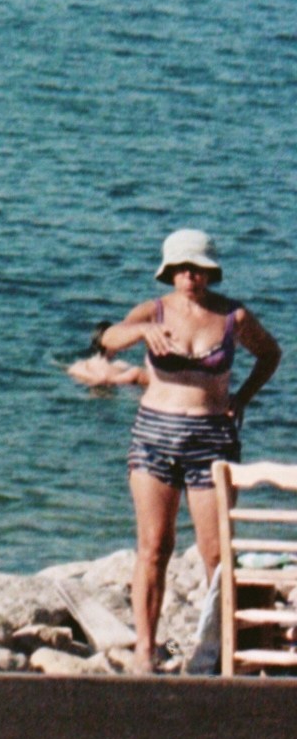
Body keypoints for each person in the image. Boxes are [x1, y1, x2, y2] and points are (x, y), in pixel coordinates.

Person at [66, 230, 281, 675]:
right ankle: (146, 648)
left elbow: (270, 354)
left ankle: (218, 648)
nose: (191, 277)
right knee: (154, 547)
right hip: (154, 436)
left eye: (199, 269)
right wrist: (142, 329)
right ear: (169, 272)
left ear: (211, 272)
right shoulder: (154, 311)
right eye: (183, 269)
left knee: (217, 554)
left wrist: (241, 398)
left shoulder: (233, 316)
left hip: (212, 439)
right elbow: (107, 341)